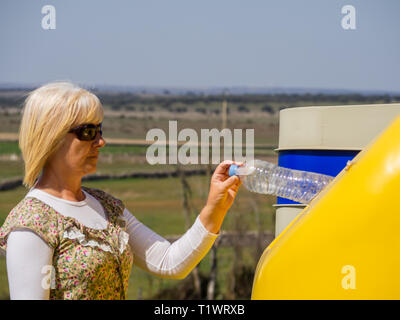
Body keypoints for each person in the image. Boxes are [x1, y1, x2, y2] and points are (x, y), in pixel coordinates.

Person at [0, 82, 242, 300]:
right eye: (88, 132)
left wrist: (216, 207)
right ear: (50, 138)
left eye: (100, 130)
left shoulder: (107, 207)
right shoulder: (31, 224)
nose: (100, 142)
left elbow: (169, 262)